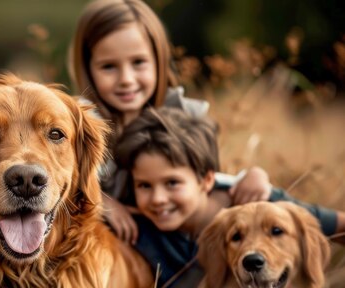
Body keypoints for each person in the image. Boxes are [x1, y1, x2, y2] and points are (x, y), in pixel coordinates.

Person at [68, 0, 271, 244]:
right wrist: (104, 201)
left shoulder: (184, 115)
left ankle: (328, 223)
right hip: (121, 247)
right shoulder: (82, 122)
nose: (126, 79)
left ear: (158, 60)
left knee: (258, 204)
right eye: (109, 67)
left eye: (138, 63)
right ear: (89, 69)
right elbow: (64, 185)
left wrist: (251, 177)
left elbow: (206, 181)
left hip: (185, 238)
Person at [114, 107, 345, 288]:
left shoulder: (260, 206)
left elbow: (340, 225)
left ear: (206, 180)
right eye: (144, 185)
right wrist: (103, 203)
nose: (158, 199)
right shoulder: (138, 224)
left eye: (172, 183)